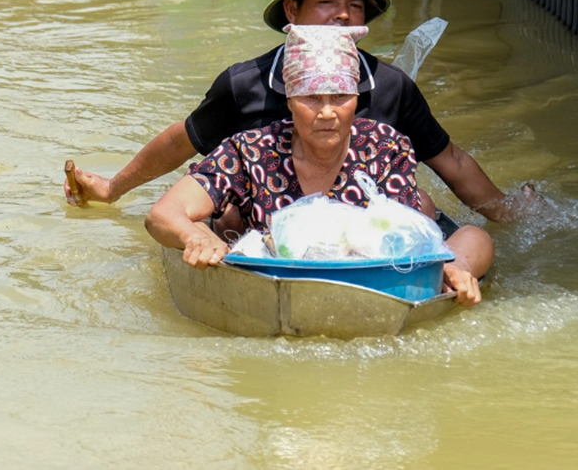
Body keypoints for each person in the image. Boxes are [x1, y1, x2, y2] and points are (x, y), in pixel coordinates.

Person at [65, 0, 541, 223]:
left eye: (355, 5)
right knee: (228, 215)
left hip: (366, 228)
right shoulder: (246, 83)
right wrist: (114, 188)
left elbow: (450, 159)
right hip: (266, 225)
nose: (341, 14)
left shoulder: (391, 87)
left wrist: (507, 215)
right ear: (291, 12)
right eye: (326, 0)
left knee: (426, 207)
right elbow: (181, 140)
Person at [144, 24, 493, 307]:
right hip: (275, 280)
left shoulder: (386, 147)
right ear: (290, 101)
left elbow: (400, 239)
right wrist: (195, 236)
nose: (327, 113)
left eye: (340, 98)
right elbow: (162, 214)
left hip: (369, 283)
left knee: (471, 236)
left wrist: (450, 267)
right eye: (312, 99)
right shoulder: (251, 149)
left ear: (356, 101)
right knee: (218, 224)